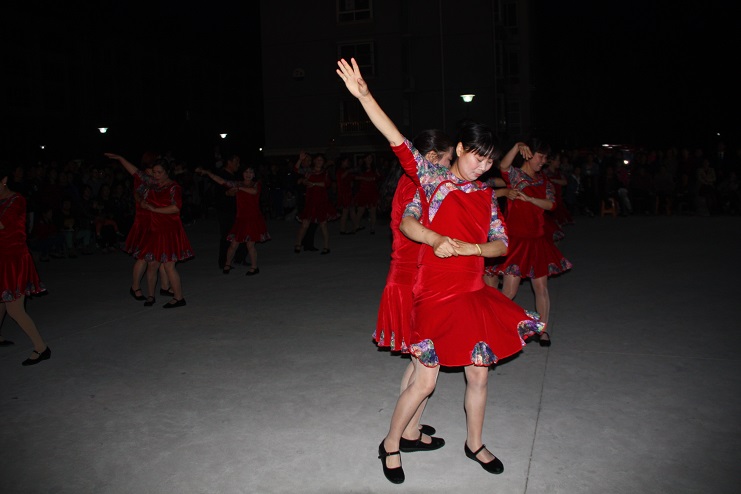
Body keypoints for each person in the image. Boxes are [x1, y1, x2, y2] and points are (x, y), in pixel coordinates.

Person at [338, 57, 543, 484]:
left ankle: (475, 443)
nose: (483, 167)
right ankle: (391, 443)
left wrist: (473, 248)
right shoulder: (432, 179)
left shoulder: (485, 195)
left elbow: (501, 243)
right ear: (462, 149)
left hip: (472, 294)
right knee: (425, 382)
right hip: (433, 295)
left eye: (489, 162)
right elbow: (396, 139)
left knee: (479, 375)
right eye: (478, 158)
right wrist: (365, 96)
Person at [374, 128, 455, 454]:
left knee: (418, 362)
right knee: (426, 367)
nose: (449, 167)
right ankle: (403, 435)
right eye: (447, 161)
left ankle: (411, 425)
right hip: (411, 283)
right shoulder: (415, 185)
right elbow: (413, 228)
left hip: (410, 278)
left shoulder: (414, 182)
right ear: (432, 157)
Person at [489, 138, 573, 346]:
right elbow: (503, 166)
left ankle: (542, 331)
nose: (543, 161)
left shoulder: (544, 180)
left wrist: (530, 199)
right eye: (540, 156)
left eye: (545, 158)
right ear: (529, 154)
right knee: (509, 291)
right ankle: (494, 326)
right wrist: (517, 145)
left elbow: (551, 205)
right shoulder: (516, 175)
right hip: (516, 241)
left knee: (541, 288)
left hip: (537, 241)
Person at [106, 153, 193, 308]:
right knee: (152, 262)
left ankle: (179, 298)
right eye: (154, 172)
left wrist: (154, 209)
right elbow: (135, 172)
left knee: (168, 266)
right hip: (155, 229)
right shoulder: (153, 183)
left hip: (169, 230)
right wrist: (121, 159)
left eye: (159, 172)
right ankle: (152, 295)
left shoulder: (174, 187)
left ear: (167, 172)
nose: (156, 175)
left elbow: (175, 208)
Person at [0, 164, 51, 366]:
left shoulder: (17, 200)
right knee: (2, 300)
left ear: (4, 180)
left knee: (14, 308)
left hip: (13, 259)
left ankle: (41, 348)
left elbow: (3, 225)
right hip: (2, 257)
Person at [196, 166, 270, 275]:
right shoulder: (237, 184)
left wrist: (239, 188)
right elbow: (222, 181)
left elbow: (254, 192)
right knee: (233, 244)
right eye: (246, 171)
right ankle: (227, 264)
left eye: (251, 172)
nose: (248, 174)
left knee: (250, 245)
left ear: (254, 175)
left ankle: (254, 267)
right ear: (242, 173)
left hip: (252, 218)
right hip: (241, 218)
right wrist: (208, 172)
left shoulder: (256, 184)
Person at [294, 152, 337, 254]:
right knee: (304, 224)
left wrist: (313, 184)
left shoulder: (325, 173)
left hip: (322, 201)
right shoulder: (309, 171)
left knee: (323, 225)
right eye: (317, 160)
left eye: (321, 160)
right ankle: (298, 244)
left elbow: (326, 184)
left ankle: (326, 247)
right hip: (310, 201)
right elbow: (296, 170)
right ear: (314, 161)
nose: (319, 162)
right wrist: (300, 159)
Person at [352, 153, 381, 234]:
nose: (369, 159)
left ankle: (372, 227)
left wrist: (374, 178)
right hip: (363, 191)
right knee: (360, 211)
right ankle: (355, 226)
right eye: (368, 158)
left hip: (372, 191)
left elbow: (380, 177)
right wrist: (364, 178)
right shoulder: (360, 168)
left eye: (370, 158)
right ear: (364, 159)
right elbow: (354, 177)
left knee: (372, 211)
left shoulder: (374, 168)